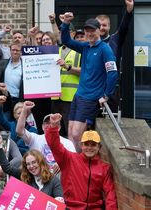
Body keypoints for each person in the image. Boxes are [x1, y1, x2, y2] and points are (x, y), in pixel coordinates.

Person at [60, 12, 118, 151]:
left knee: (77, 134)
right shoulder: (86, 46)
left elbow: (113, 73)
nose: (90, 33)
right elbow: (67, 41)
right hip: (78, 95)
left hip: (91, 98)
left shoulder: (105, 49)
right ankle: (73, 165)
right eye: (87, 30)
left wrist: (106, 95)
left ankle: (79, 166)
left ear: (99, 30)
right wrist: (65, 24)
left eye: (93, 30)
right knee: (70, 133)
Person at [45, 113, 118, 209]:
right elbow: (54, 145)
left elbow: (110, 195)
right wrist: (53, 127)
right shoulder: (69, 159)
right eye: (86, 144)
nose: (89, 148)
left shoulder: (105, 168)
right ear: (81, 145)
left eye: (93, 145)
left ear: (99, 147)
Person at [0, 134, 64, 202]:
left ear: (41, 162)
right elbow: (7, 168)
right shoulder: (24, 175)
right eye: (28, 164)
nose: (31, 166)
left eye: (34, 162)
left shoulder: (54, 180)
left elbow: (59, 203)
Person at [17, 101, 76, 175]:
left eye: (52, 123)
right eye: (46, 123)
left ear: (59, 127)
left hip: (58, 178)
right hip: (39, 176)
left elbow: (74, 161)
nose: (49, 125)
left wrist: (62, 164)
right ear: (42, 126)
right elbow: (19, 131)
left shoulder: (67, 142)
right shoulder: (35, 138)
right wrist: (24, 110)